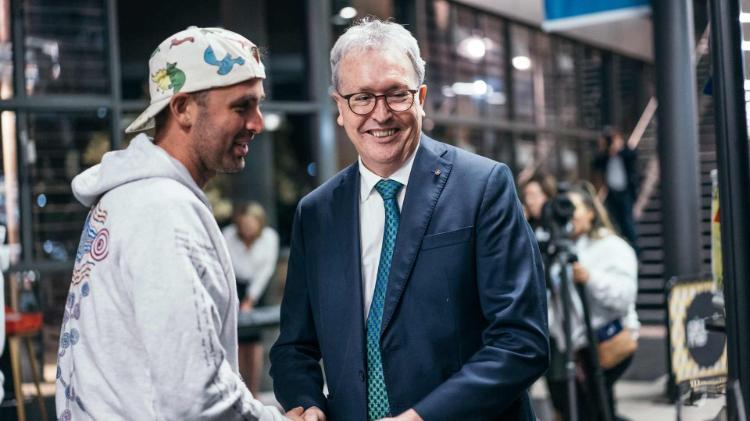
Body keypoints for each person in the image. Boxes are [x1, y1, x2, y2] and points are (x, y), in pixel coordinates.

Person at [270, 18, 548, 421]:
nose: (380, 115)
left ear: (421, 97)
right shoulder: (316, 212)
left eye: (396, 95)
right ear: (339, 108)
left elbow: (522, 341)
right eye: (362, 98)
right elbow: (293, 347)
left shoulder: (483, 186)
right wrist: (306, 401)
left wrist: (422, 417)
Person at [54, 26, 301, 421]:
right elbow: (196, 398)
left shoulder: (129, 198)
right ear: (183, 107)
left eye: (258, 106)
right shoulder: (162, 211)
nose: (257, 122)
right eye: (241, 107)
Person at [546, 182, 639, 421]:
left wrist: (590, 278)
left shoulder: (613, 247)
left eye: (572, 207)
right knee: (590, 409)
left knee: (597, 410)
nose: (567, 214)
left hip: (606, 341)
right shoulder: (563, 250)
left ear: (591, 212)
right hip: (578, 349)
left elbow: (623, 296)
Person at [222, 202, 280, 394]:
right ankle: (239, 391)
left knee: (254, 342)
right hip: (233, 284)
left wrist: (251, 299)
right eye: (244, 224)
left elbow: (266, 270)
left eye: (251, 224)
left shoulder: (270, 238)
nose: (247, 229)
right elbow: (225, 266)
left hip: (258, 287)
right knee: (236, 341)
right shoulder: (228, 235)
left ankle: (253, 392)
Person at [592, 127, 639, 254]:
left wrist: (620, 148)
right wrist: (603, 149)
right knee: (616, 223)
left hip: (625, 192)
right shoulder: (606, 156)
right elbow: (596, 164)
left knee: (628, 222)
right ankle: (625, 250)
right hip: (612, 194)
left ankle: (636, 250)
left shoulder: (624, 152)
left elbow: (633, 156)